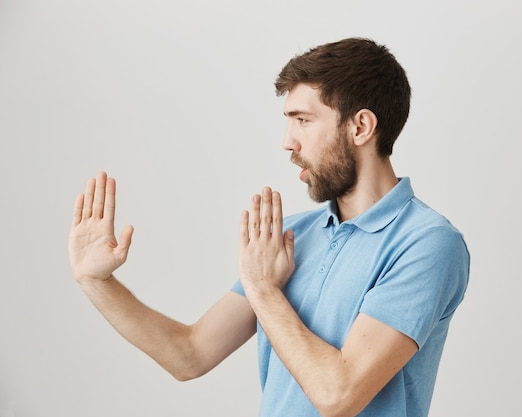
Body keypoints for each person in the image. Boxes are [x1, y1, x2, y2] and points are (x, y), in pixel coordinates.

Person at [69, 37, 470, 417]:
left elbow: (339, 395)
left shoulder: (427, 244)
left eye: (303, 119)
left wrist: (264, 289)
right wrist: (97, 282)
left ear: (361, 126)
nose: (287, 142)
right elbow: (189, 355)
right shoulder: (292, 237)